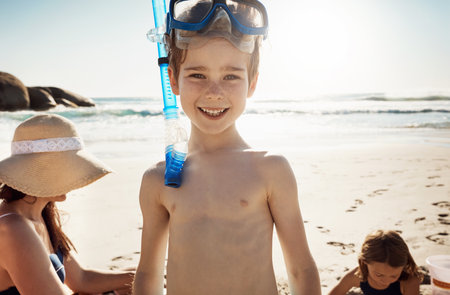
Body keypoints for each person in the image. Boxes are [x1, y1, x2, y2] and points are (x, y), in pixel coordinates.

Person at [133, 1, 321, 294]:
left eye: (231, 76)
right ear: (173, 80)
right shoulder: (159, 180)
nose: (214, 92)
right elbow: (148, 273)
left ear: (252, 84)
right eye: (197, 75)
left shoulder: (270, 169)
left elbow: (301, 269)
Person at [0, 114, 135, 295]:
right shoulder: (13, 229)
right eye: (64, 170)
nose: (72, 179)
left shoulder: (42, 213)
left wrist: (147, 275)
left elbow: (81, 280)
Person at [328, 230, 422, 295]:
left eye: (394, 276)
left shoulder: (409, 281)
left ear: (403, 266)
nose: (386, 281)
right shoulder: (357, 275)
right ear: (365, 262)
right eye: (379, 274)